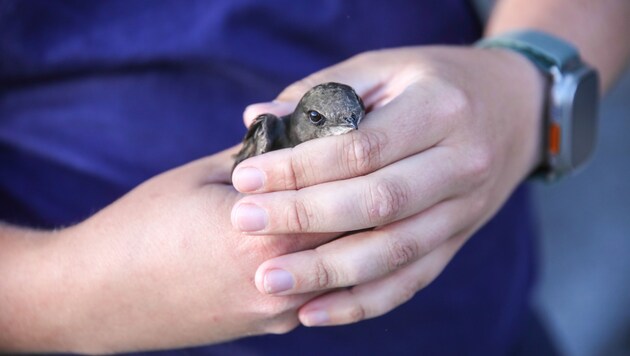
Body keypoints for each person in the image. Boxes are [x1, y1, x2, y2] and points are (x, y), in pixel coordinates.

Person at [1, 0, 628, 354]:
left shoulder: (351, 122)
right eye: (332, 123)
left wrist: (522, 89)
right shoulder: (276, 133)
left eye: (354, 122)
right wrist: (75, 294)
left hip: (472, 329)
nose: (349, 136)